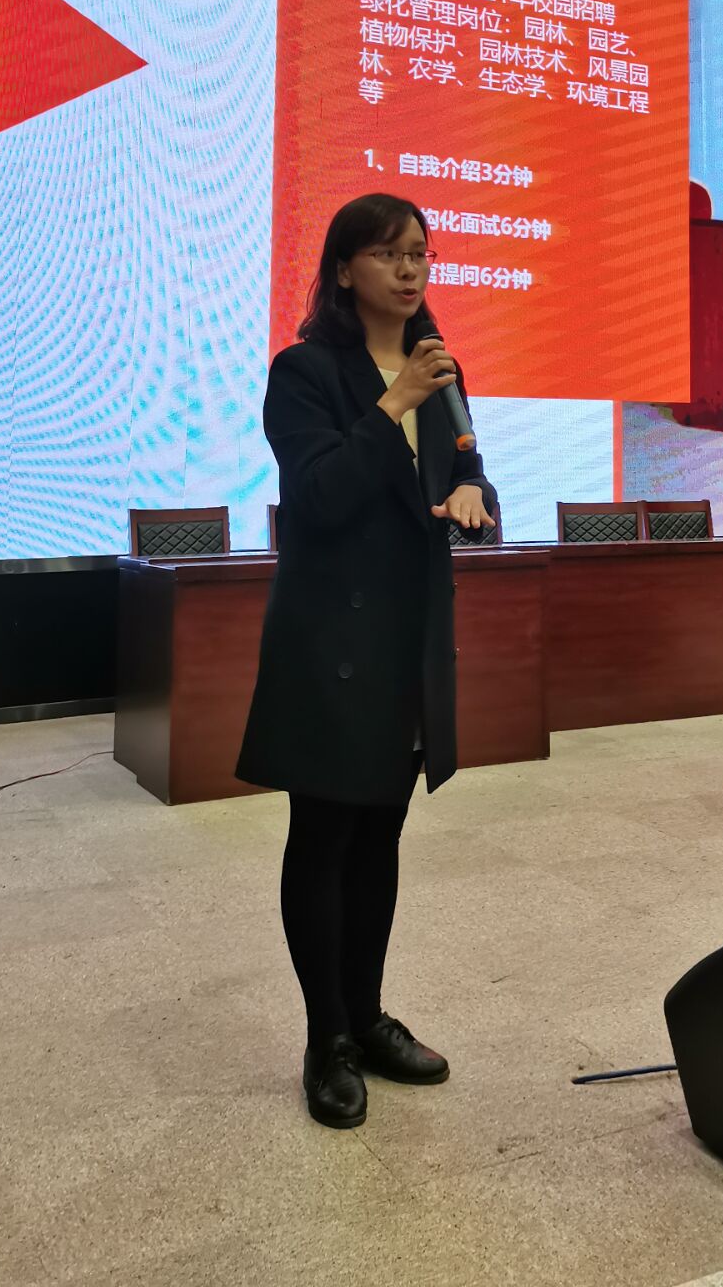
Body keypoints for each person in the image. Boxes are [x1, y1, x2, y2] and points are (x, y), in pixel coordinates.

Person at [236, 192, 497, 1128]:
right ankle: (328, 1040)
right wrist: (395, 402)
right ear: (345, 270)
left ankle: (368, 1014)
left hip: (407, 639)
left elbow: (468, 471)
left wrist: (474, 493)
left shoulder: (440, 371)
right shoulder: (304, 371)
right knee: (324, 836)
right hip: (330, 642)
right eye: (388, 253)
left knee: (380, 836)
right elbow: (318, 496)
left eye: (420, 252)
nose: (410, 268)